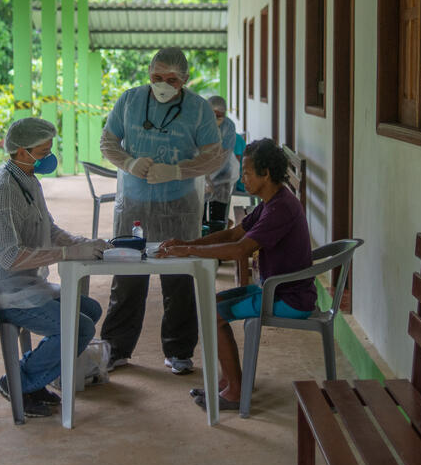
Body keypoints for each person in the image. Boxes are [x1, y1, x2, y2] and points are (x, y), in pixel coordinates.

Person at [0, 117, 109, 418]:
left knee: (90, 310)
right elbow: (9, 258)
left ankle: (37, 372)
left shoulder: (26, 179)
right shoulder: (3, 191)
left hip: (21, 286)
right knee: (79, 327)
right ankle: (19, 382)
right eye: (42, 152)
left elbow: (49, 228)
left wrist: (84, 242)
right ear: (20, 151)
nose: (48, 157)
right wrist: (67, 253)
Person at [158, 138, 315, 410]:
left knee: (212, 313)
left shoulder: (280, 209)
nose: (243, 179)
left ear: (266, 174)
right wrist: (188, 244)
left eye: (247, 173)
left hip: (290, 298)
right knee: (213, 305)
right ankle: (231, 382)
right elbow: (233, 233)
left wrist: (188, 252)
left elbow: (239, 249)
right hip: (276, 288)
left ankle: (234, 392)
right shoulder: (271, 202)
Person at [98, 47, 227, 375]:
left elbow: (215, 156)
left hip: (179, 205)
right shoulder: (129, 101)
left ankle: (179, 351)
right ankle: (115, 348)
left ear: (185, 79)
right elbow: (108, 142)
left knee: (180, 277)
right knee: (127, 276)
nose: (163, 85)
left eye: (172, 79)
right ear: (149, 73)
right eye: (157, 77)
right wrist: (128, 162)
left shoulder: (198, 110)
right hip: (134, 204)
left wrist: (178, 170)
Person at [203, 95, 244, 236]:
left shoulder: (229, 126)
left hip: (223, 173)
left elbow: (223, 156)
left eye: (220, 115)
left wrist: (211, 178)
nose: (216, 119)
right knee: (199, 212)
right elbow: (194, 152)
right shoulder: (199, 124)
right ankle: (200, 238)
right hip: (199, 170)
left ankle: (216, 240)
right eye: (213, 115)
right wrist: (204, 178)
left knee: (218, 214)